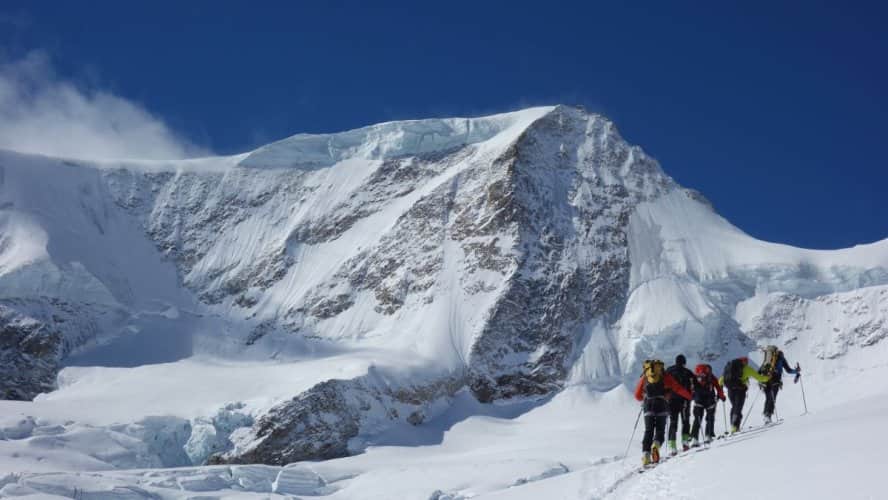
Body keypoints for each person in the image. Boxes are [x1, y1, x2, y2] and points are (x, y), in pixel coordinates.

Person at [634, 359, 693, 466]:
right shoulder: (665, 376)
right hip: (662, 405)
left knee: (648, 431)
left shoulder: (645, 376)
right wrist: (689, 396)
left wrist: (645, 396)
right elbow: (678, 388)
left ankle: (646, 456)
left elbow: (637, 396)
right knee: (660, 430)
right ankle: (656, 445)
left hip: (648, 405)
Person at [720, 356, 769, 433]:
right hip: (740, 391)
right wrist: (767, 378)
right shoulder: (747, 368)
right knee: (738, 408)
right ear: (745, 362)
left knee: (734, 407)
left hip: (730, 390)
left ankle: (733, 426)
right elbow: (759, 378)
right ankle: (735, 427)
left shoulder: (730, 368)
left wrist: (721, 388)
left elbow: (720, 380)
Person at [758, 346, 800, 424]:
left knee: (768, 398)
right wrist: (796, 371)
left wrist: (760, 380)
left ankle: (766, 415)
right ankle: (768, 416)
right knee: (773, 398)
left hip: (765, 379)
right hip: (775, 380)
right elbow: (789, 370)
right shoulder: (781, 358)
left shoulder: (767, 359)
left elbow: (760, 370)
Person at [690, 363, 725, 445]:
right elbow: (718, 388)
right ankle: (708, 436)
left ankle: (694, 439)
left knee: (697, 419)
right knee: (710, 418)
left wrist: (691, 397)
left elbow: (691, 389)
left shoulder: (695, 378)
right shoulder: (711, 377)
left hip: (698, 401)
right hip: (710, 400)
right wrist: (722, 396)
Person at [665, 354, 694, 455]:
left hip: (671, 401)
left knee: (673, 422)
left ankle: (672, 446)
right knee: (685, 421)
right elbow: (695, 384)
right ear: (684, 362)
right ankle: (685, 442)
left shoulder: (668, 371)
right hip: (685, 400)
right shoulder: (688, 372)